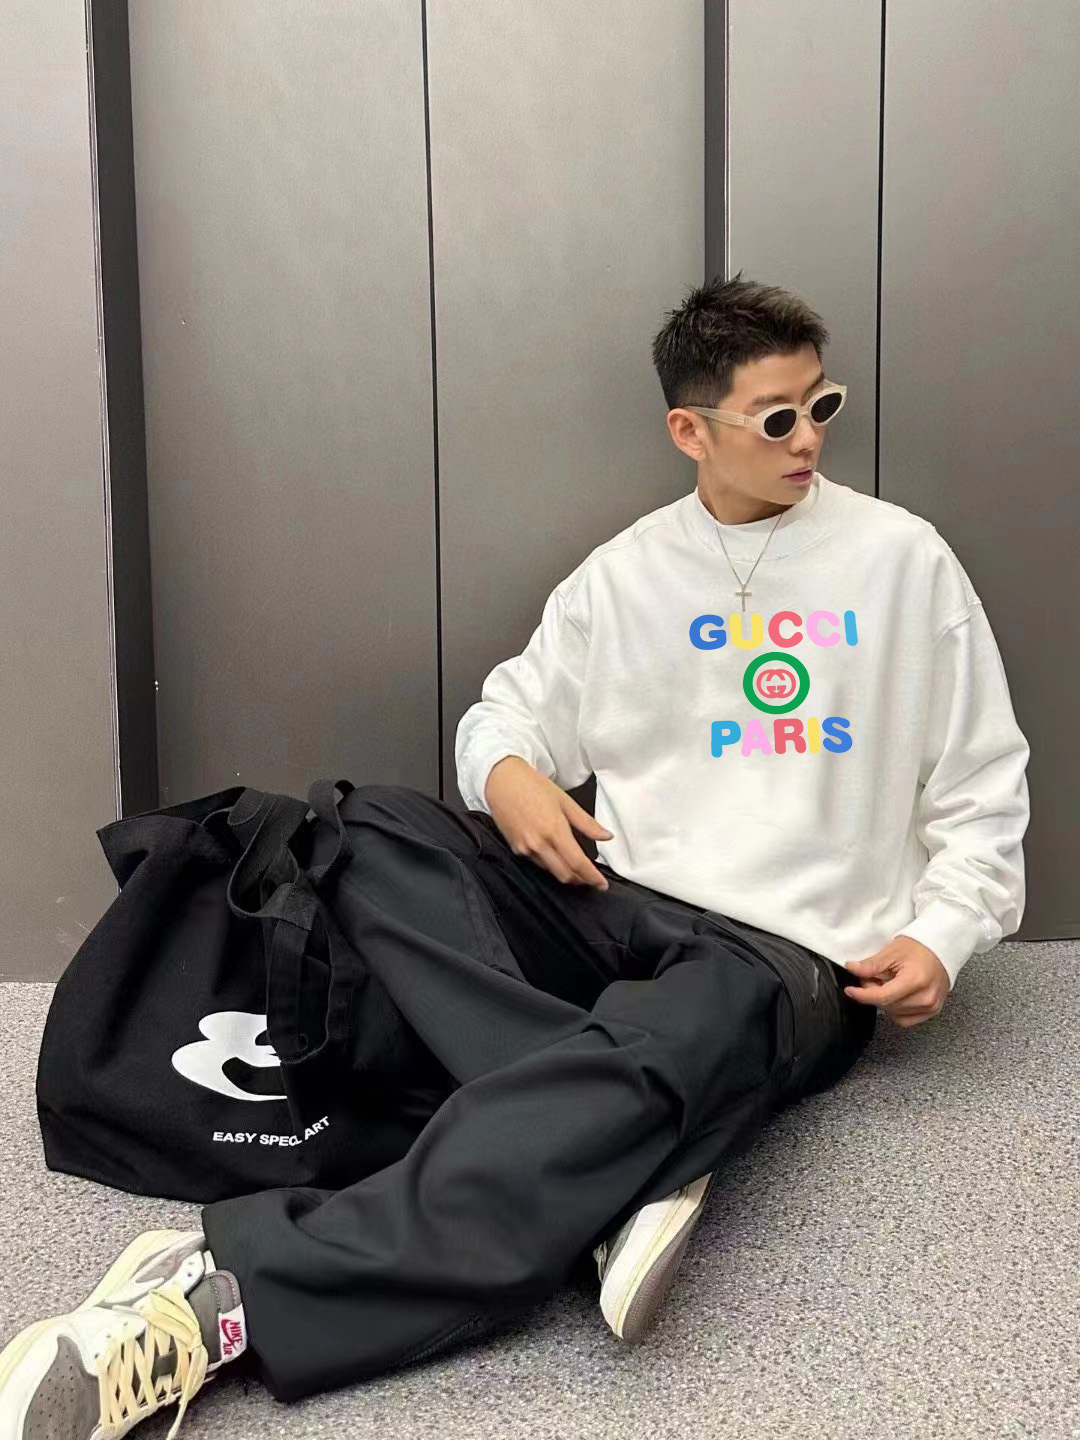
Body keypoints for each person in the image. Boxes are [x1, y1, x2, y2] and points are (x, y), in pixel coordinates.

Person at [0, 272, 1030, 1439]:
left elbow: (985, 794)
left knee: (687, 1029)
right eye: (778, 417)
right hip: (612, 903)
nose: (810, 439)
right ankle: (622, 1145)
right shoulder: (627, 573)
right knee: (363, 826)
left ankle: (215, 1304)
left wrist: (943, 933)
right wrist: (508, 775)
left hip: (787, 959)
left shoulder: (903, 563)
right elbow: (504, 716)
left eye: (822, 405)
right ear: (690, 431)